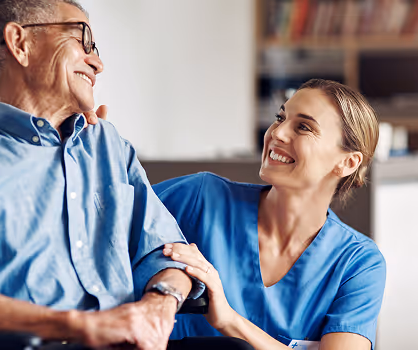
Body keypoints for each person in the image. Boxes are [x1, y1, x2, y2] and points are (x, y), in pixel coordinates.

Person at [0, 1, 215, 349]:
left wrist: (159, 304)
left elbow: (169, 255)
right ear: (20, 43)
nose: (98, 63)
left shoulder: (110, 148)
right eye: (82, 40)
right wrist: (78, 325)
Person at [155, 79, 386, 350]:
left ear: (347, 162)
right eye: (280, 118)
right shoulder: (199, 198)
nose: (277, 132)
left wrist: (230, 321)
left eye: (303, 127)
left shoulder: (357, 263)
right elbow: (107, 214)